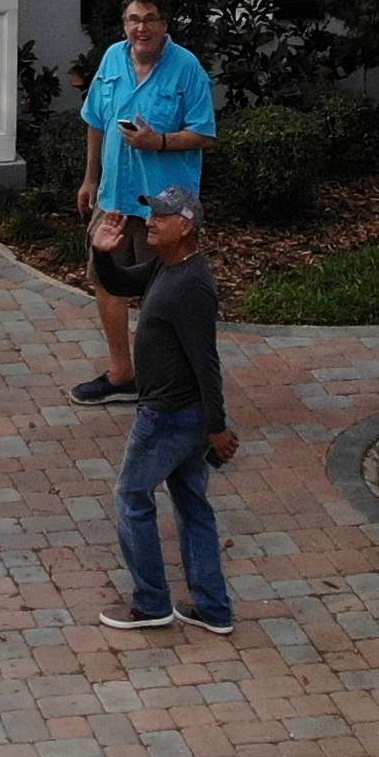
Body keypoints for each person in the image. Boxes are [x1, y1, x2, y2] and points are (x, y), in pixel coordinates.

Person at [101, 185, 237, 634]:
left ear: (187, 226)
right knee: (192, 505)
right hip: (181, 415)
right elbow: (121, 283)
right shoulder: (167, 264)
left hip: (169, 416)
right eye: (151, 214)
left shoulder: (192, 287)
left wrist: (216, 427)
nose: (151, 222)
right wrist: (105, 254)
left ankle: (151, 603)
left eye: (161, 216)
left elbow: (207, 360)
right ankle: (213, 610)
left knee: (131, 497)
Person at [69, 0, 214, 404]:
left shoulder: (187, 69)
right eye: (134, 20)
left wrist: (159, 143)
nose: (141, 28)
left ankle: (170, 382)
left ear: (165, 25)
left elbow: (204, 134)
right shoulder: (113, 57)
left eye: (150, 19)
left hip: (166, 205)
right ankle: (122, 374)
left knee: (167, 294)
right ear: (124, 26)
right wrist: (90, 178)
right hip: (116, 195)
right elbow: (95, 119)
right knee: (106, 281)